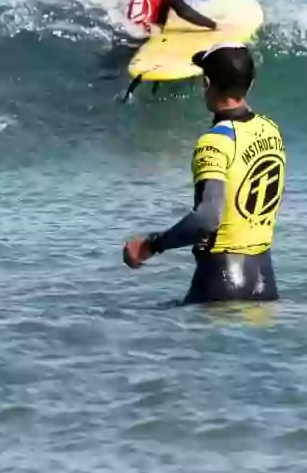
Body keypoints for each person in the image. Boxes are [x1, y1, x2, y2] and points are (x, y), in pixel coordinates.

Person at [121, 44, 285, 304]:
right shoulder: (271, 131)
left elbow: (208, 219)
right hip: (265, 285)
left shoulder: (215, 142)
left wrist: (151, 245)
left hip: (220, 284)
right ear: (250, 84)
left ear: (207, 83)